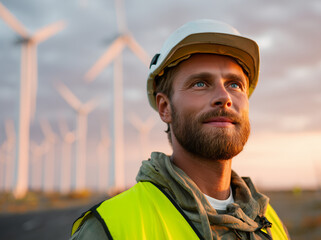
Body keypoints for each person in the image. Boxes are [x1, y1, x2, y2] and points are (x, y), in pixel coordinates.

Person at [70, 19, 290, 240]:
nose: (224, 97)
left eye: (235, 84)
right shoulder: (110, 228)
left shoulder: (269, 221)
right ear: (165, 108)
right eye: (200, 84)